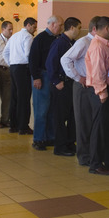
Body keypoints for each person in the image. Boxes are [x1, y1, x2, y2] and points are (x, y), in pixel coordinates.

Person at [61, 16, 99, 166]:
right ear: (95, 29)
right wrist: (78, 77)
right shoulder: (84, 42)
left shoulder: (97, 43)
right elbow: (65, 60)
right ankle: (84, 156)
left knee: (91, 122)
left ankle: (92, 153)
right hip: (82, 86)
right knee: (83, 122)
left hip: (92, 86)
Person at [85, 16, 109, 176]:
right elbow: (98, 71)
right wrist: (102, 92)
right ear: (106, 28)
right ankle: (95, 163)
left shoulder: (105, 45)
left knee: (108, 127)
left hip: (105, 90)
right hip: (99, 91)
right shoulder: (98, 46)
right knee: (99, 128)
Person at [47, 17, 81, 156]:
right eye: (79, 28)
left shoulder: (71, 43)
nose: (79, 31)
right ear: (72, 28)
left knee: (72, 115)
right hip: (61, 83)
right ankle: (60, 146)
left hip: (70, 83)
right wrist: (56, 81)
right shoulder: (59, 43)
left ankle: (69, 142)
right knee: (60, 116)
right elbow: (50, 63)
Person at [29, 15, 63, 150]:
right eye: (60, 25)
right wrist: (36, 77)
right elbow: (33, 59)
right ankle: (38, 139)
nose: (61, 28)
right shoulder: (40, 39)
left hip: (53, 76)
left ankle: (50, 137)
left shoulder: (57, 39)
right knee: (41, 109)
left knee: (51, 109)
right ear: (53, 24)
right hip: (42, 75)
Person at [4, 17, 37, 134]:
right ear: (28, 25)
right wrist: (33, 69)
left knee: (14, 96)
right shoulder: (28, 37)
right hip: (23, 68)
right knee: (24, 98)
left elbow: (5, 52)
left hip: (13, 68)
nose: (35, 30)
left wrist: (11, 63)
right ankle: (23, 126)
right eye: (34, 27)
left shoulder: (14, 36)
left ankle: (13, 125)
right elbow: (29, 54)